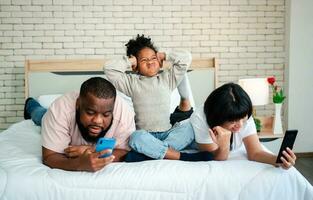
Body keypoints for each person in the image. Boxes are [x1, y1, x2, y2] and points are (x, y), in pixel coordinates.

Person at [104, 34, 213, 162]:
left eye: (153, 58)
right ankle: (179, 155)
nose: (150, 62)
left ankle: (147, 154)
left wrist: (164, 55)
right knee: (135, 137)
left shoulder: (167, 79)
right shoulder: (131, 83)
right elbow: (109, 69)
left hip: (167, 133)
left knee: (189, 127)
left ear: (160, 61)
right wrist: (130, 61)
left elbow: (185, 58)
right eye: (144, 60)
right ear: (135, 66)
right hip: (145, 134)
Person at [24, 77, 136, 171]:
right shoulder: (59, 110)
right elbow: (49, 156)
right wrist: (79, 164)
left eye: (106, 115)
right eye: (90, 112)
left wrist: (91, 151)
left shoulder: (124, 115)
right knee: (39, 115)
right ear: (78, 104)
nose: (98, 121)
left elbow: (124, 151)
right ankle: (31, 104)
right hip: (49, 116)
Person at [190, 82, 296, 169]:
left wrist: (278, 160)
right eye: (233, 121)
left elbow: (255, 153)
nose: (240, 125)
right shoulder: (200, 118)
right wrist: (225, 144)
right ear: (218, 118)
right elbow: (217, 158)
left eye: (243, 119)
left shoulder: (243, 114)